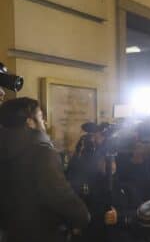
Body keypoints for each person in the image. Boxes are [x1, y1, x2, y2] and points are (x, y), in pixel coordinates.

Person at [0, 97, 90, 242]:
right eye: (41, 117)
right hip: (44, 233)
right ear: (30, 122)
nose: (45, 122)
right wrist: (82, 217)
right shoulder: (42, 153)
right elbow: (59, 195)